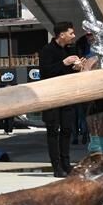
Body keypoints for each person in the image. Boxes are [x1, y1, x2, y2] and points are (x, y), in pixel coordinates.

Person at [38, 21, 85, 177]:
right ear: (62, 34)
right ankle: (56, 167)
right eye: (71, 33)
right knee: (53, 132)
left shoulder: (71, 49)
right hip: (51, 97)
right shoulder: (47, 50)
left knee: (67, 130)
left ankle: (66, 163)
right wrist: (64, 63)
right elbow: (45, 73)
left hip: (67, 96)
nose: (73, 36)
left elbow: (69, 74)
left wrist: (77, 68)